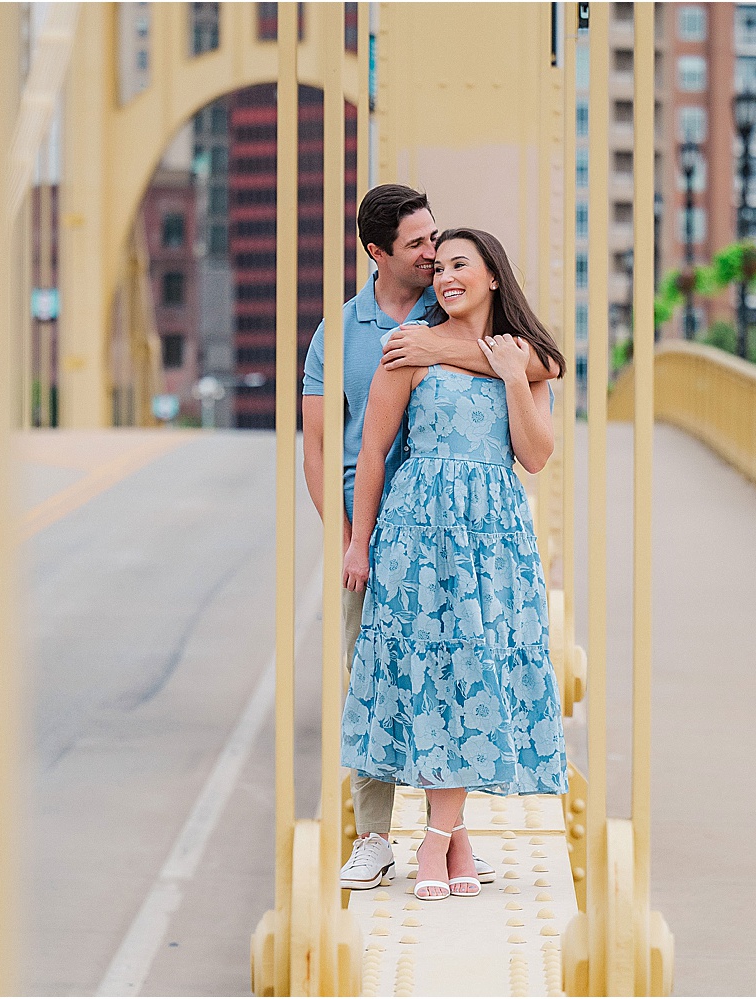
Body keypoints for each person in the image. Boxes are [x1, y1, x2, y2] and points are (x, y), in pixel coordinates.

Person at [301, 187, 555, 890]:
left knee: (469, 673)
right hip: (398, 528)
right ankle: (388, 836)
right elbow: (344, 447)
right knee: (389, 678)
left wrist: (504, 364)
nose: (435, 264)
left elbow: (540, 411)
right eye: (424, 252)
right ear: (379, 253)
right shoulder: (370, 337)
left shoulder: (474, 342)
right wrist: (352, 540)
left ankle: (445, 836)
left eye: (447, 254)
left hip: (487, 534)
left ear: (491, 274)